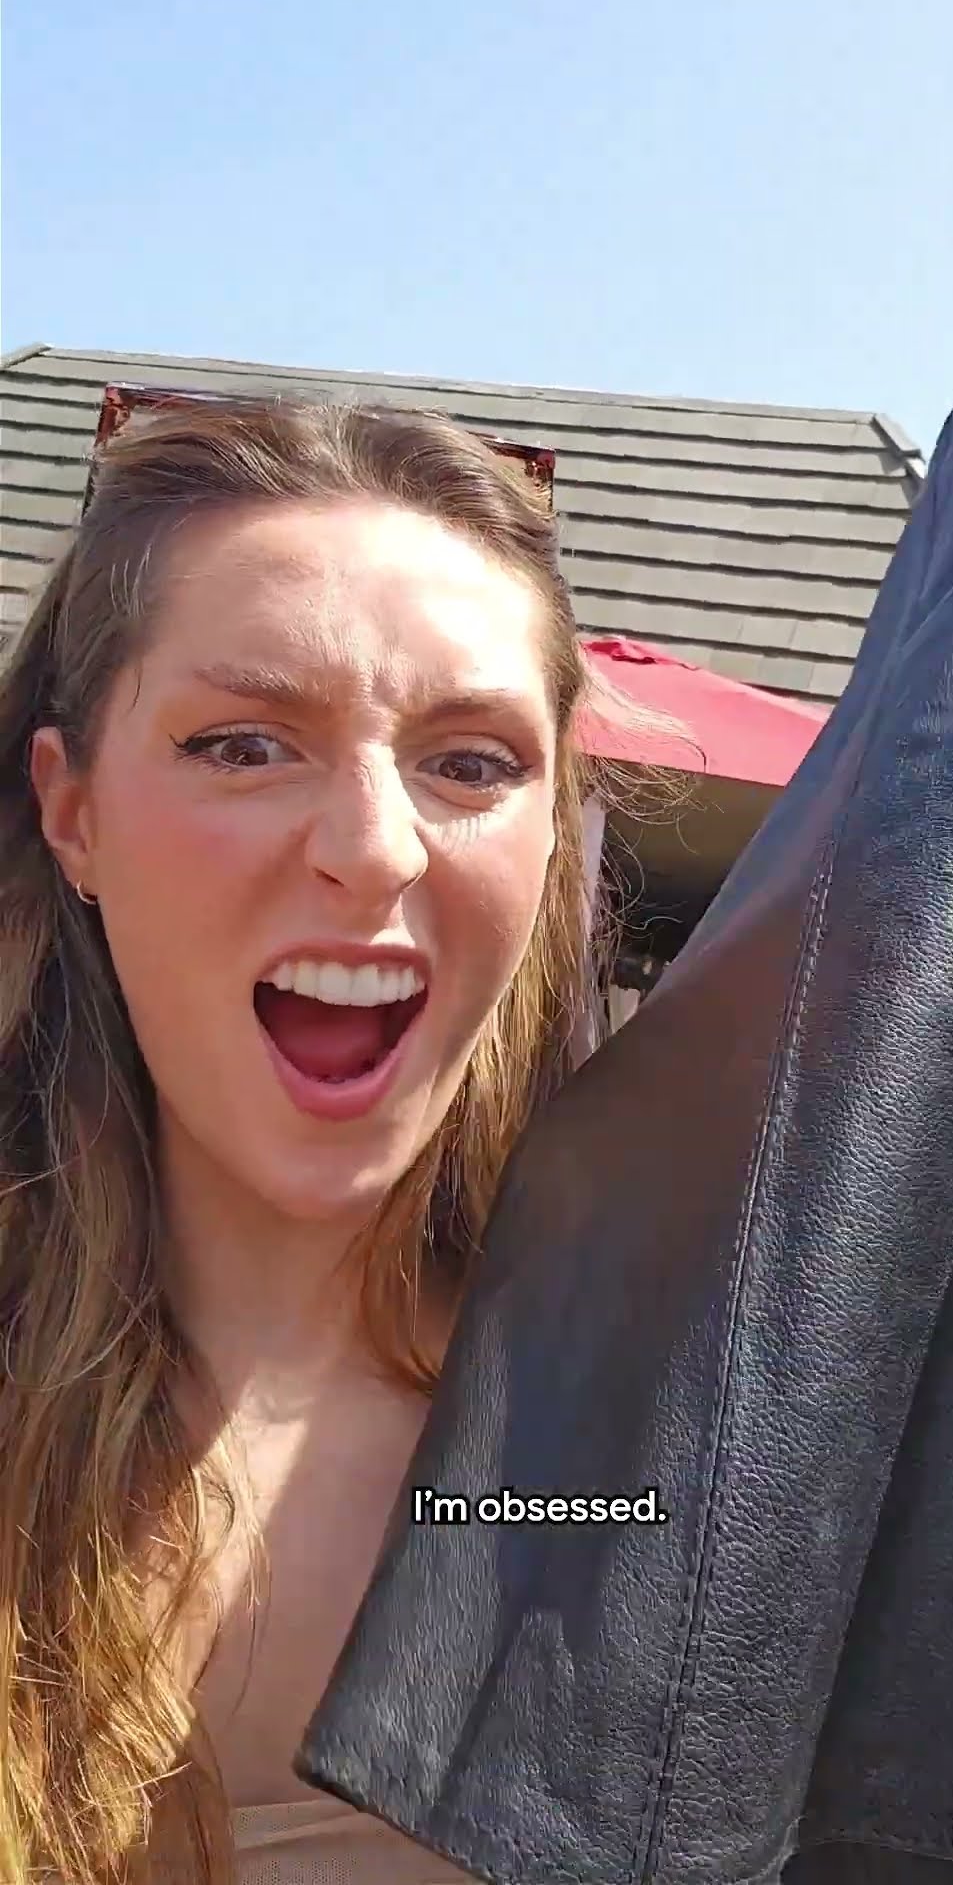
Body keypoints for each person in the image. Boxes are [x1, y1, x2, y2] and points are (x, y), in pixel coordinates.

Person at [0, 398, 626, 1884]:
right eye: (243, 744)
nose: (375, 847)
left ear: (555, 833)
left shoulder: (653, 1433)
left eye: (472, 763)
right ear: (74, 814)